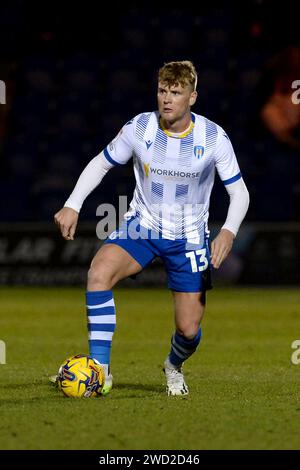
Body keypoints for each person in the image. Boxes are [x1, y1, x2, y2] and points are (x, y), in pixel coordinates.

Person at [54, 61, 249, 396]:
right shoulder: (139, 128)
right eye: (162, 91)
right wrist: (73, 203)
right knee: (98, 273)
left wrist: (228, 231)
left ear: (193, 97)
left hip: (188, 240)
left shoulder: (213, 137)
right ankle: (100, 370)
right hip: (142, 227)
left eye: (176, 92)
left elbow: (239, 192)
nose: (167, 99)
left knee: (188, 330)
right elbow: (102, 162)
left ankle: (173, 365)